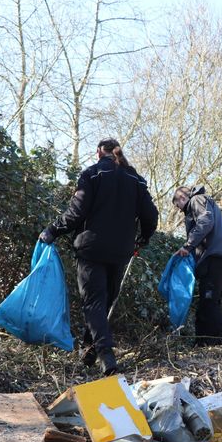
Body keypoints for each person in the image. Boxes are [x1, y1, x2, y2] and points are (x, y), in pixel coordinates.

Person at [39, 139, 158, 375]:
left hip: (91, 247)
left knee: (94, 303)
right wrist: (143, 239)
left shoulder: (92, 174)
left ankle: (106, 357)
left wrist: (52, 230)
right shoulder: (135, 179)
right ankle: (88, 352)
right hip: (120, 251)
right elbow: (151, 215)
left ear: (98, 153)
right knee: (103, 302)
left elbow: (76, 212)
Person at [172, 185, 222, 346]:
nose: (180, 210)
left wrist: (187, 246)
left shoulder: (197, 200)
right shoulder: (203, 201)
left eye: (178, 206)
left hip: (215, 257)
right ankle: (202, 342)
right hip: (221, 257)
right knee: (206, 301)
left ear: (182, 198)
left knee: (209, 301)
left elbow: (206, 221)